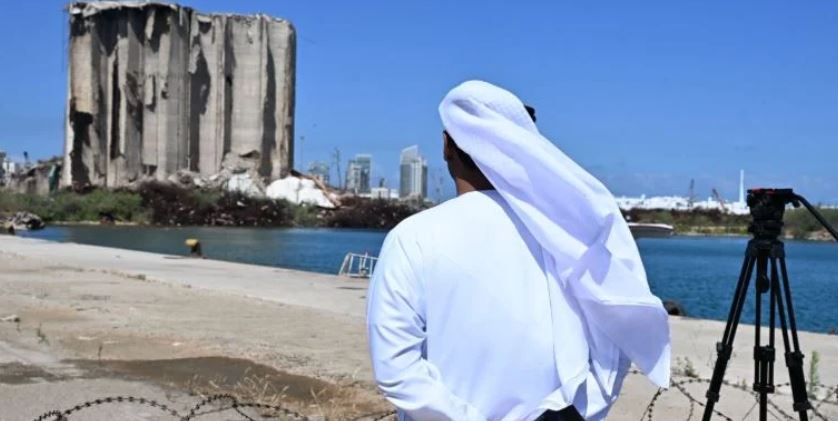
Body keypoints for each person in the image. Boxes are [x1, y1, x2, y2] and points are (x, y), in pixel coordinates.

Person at [366, 80, 670, 421]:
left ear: (447, 146)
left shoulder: (413, 237)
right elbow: (616, 329)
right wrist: (581, 412)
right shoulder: (563, 234)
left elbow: (398, 372)